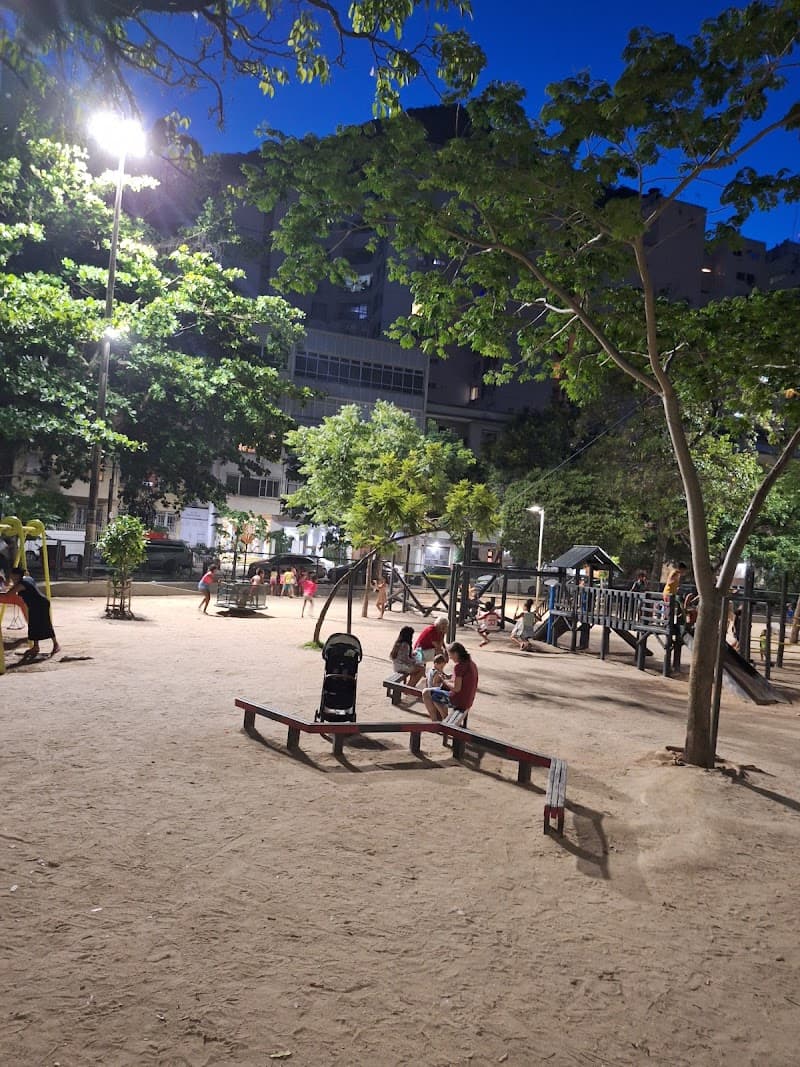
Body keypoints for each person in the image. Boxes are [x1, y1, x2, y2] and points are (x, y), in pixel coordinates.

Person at [3, 565, 60, 660]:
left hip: (40, 605)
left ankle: (56, 645)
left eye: (12, 576)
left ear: (17, 576)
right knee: (33, 625)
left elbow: (8, 595)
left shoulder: (21, 585)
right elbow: (14, 587)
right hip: (37, 604)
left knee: (45, 624)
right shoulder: (27, 578)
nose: (11, 578)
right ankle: (36, 647)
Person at [422, 641, 478, 726]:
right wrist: (448, 681)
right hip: (468, 699)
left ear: (456, 653)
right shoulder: (471, 663)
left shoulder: (459, 666)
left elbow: (456, 688)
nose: (450, 658)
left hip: (459, 701)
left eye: (450, 655)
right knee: (435, 693)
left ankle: (437, 721)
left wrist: (444, 681)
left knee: (427, 693)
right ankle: (443, 719)